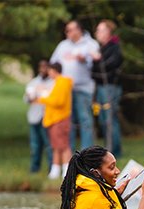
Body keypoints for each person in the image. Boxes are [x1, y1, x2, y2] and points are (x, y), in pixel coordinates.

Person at [59, 145, 144, 209]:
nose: (118, 171)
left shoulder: (85, 191)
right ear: (95, 173)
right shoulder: (96, 199)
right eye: (111, 167)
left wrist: (116, 194)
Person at [50, 20, 99, 151]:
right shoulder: (63, 45)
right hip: (66, 90)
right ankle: (69, 154)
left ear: (79, 30)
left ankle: (87, 154)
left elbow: (96, 64)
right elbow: (53, 64)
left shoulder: (90, 44)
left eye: (70, 30)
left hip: (83, 88)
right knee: (67, 122)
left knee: (85, 121)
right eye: (66, 30)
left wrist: (83, 59)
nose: (67, 33)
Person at [92, 19, 123, 158]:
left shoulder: (114, 48)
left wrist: (98, 60)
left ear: (108, 32)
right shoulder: (102, 48)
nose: (97, 33)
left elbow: (108, 67)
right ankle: (109, 151)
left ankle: (114, 151)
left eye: (100, 30)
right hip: (101, 87)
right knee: (104, 120)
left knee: (110, 119)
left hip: (110, 88)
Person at [37, 62, 72, 179]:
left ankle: (67, 169)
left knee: (63, 145)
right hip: (54, 119)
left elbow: (59, 101)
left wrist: (42, 99)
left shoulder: (63, 82)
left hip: (60, 118)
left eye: (50, 70)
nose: (48, 73)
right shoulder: (56, 83)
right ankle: (55, 169)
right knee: (56, 145)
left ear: (54, 70)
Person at [24, 60, 54, 173]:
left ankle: (51, 168)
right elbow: (26, 98)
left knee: (48, 144)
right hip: (34, 116)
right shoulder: (33, 82)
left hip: (47, 117)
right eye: (41, 67)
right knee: (35, 145)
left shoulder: (53, 82)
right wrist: (30, 96)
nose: (43, 70)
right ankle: (34, 169)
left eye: (45, 67)